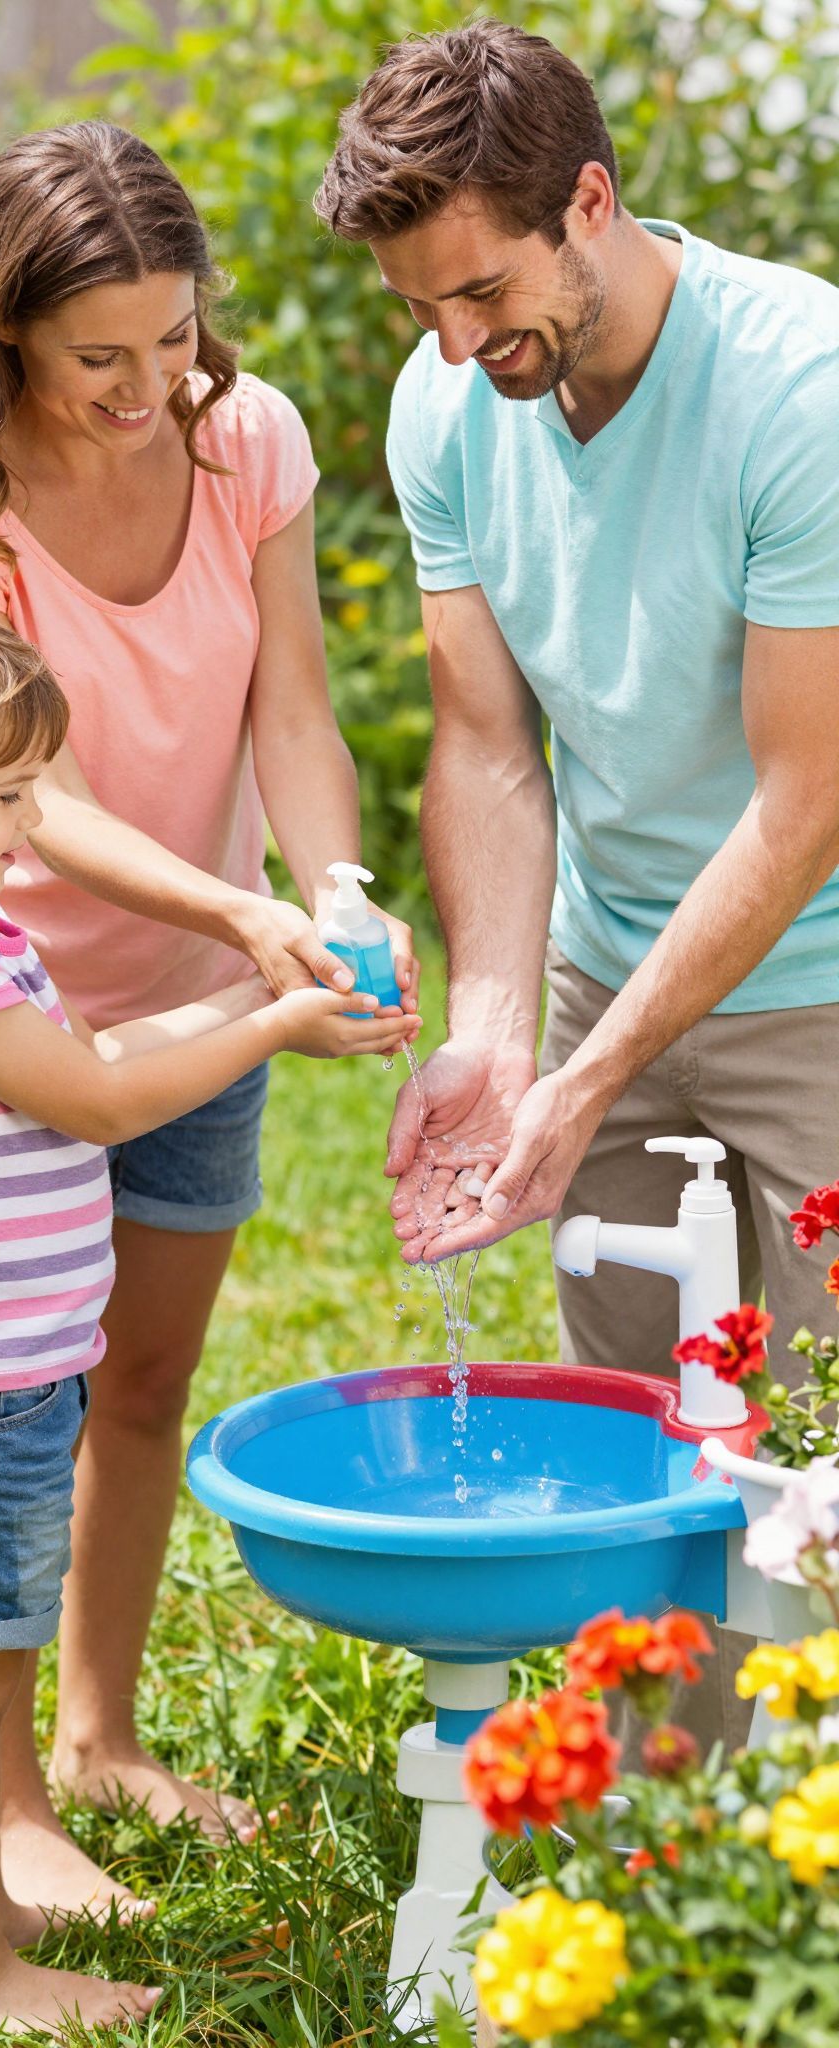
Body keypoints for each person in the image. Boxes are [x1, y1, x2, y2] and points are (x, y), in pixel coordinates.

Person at [0, 119, 419, 1912]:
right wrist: (244, 917)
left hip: (202, 997)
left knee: (146, 1383)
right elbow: (45, 792)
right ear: (5, 329)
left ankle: (99, 1734)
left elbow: (295, 714)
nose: (148, 386)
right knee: (20, 1395)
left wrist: (322, 892)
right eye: (104, 354)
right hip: (12, 1022)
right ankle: (6, 1795)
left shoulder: (245, 441)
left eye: (174, 340)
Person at [0, 594, 412, 2035]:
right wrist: (269, 1029)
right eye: (6, 797)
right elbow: (102, 1100)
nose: (29, 823)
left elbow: (106, 1045)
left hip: (5, 1376)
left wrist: (257, 984)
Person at [316, 19, 839, 1744]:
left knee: (822, 1453)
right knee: (641, 1451)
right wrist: (497, 1035)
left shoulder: (800, 388)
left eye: (480, 294)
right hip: (611, 963)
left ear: (591, 200)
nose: (457, 348)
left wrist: (589, 1073)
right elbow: (484, 745)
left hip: (821, 977)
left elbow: (803, 796)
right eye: (421, 310)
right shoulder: (446, 409)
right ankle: (681, 1861)